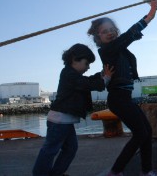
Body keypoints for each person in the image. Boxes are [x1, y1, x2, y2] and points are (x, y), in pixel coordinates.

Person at [87, 1, 157, 176]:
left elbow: (125, 40)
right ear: (98, 38)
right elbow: (129, 36)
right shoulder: (106, 51)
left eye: (112, 29)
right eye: (104, 32)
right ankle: (115, 171)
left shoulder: (118, 49)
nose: (109, 33)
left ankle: (147, 171)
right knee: (140, 133)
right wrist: (149, 16)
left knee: (147, 132)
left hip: (125, 98)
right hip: (118, 99)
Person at [32, 43, 114, 176]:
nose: (88, 67)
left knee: (70, 149)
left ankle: (56, 173)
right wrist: (106, 78)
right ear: (75, 59)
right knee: (51, 150)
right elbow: (86, 84)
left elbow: (86, 80)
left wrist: (101, 74)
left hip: (64, 121)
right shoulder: (68, 74)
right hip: (59, 121)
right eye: (87, 63)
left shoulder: (71, 74)